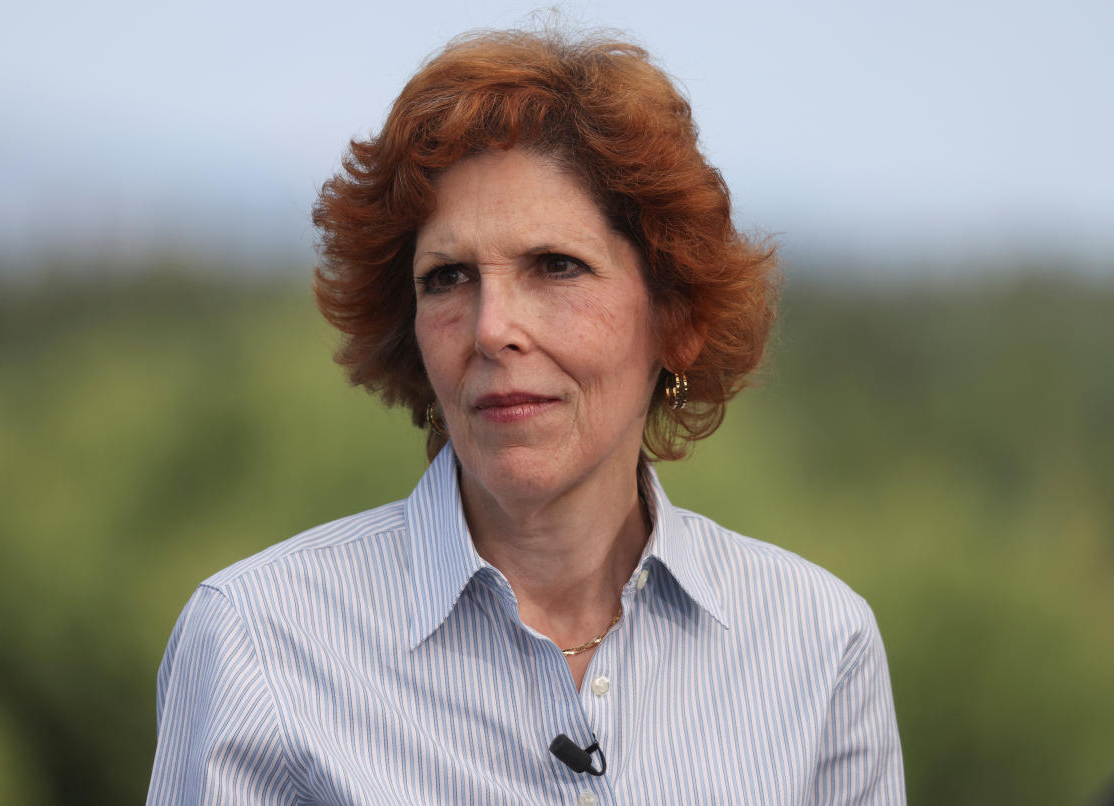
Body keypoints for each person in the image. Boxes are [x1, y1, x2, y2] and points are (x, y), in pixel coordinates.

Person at [147, 26, 906, 805]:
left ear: (675, 316)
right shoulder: (258, 642)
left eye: (554, 266)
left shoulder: (817, 645)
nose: (490, 328)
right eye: (446, 278)